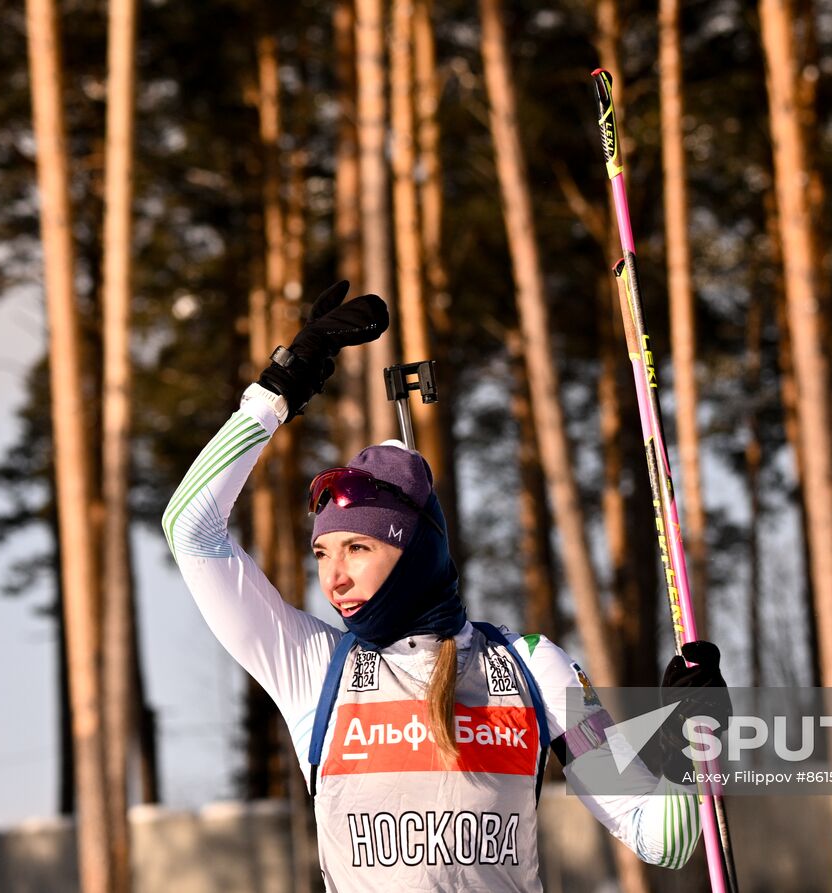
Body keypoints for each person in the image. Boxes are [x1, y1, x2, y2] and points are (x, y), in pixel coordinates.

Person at [163, 281, 728, 890]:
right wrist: (278, 391)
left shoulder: (532, 668)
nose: (334, 576)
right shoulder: (313, 667)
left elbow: (661, 837)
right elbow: (190, 529)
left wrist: (686, 740)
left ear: (416, 552)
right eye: (322, 552)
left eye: (359, 547)